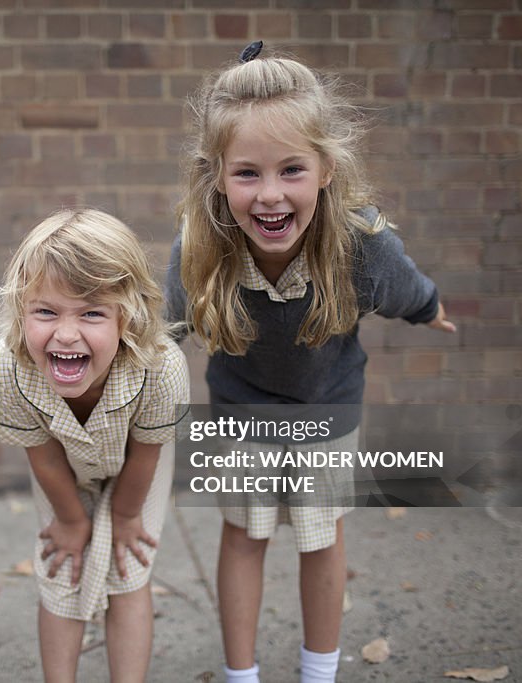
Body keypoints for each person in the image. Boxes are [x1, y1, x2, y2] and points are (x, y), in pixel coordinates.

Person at [165, 43, 456, 683]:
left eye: (291, 169)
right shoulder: (200, 248)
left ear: (326, 167)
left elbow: (408, 287)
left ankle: (318, 672)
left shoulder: (362, 249)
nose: (270, 195)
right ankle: (242, 674)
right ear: (216, 174)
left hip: (328, 410)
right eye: (247, 174)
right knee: (244, 537)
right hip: (239, 413)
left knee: (320, 537)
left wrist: (431, 310)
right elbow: (163, 329)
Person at [0, 209, 189, 682]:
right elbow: (41, 453)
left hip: (139, 463)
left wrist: (125, 516)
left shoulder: (163, 367)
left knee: (128, 572)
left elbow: (148, 451)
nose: (67, 333)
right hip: (60, 466)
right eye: (46, 311)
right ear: (20, 310)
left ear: (128, 316)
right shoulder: (5, 368)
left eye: (93, 312)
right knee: (61, 573)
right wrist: (72, 520)